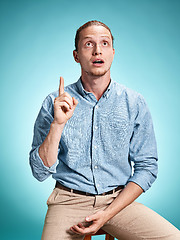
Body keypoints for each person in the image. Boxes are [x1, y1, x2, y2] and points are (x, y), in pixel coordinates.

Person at [29, 20, 180, 240]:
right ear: (76, 55)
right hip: (68, 200)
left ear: (112, 52)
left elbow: (147, 166)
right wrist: (58, 124)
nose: (98, 50)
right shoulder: (55, 102)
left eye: (104, 43)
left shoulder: (134, 102)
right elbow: (39, 171)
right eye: (88, 44)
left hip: (117, 202)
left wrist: (108, 213)